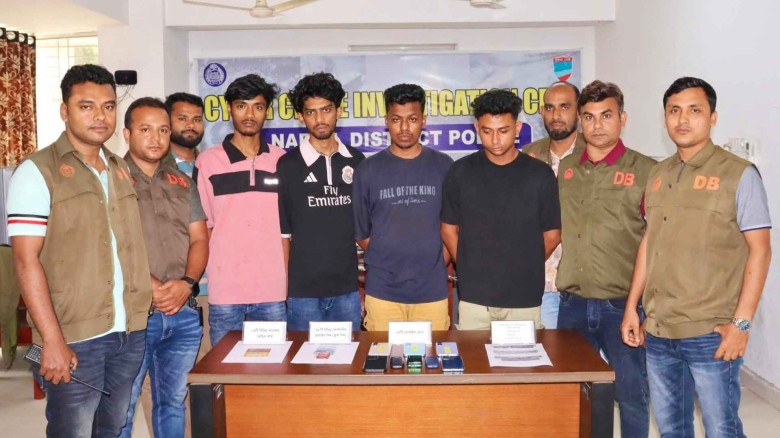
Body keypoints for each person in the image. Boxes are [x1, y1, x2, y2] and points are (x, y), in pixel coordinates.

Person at [622, 77, 772, 437]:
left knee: (722, 429)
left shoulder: (739, 174)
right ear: (665, 118)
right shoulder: (658, 174)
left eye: (694, 110)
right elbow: (649, 243)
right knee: (672, 428)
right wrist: (632, 308)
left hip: (711, 332)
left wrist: (742, 325)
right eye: (674, 111)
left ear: (713, 117)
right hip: (659, 329)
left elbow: (761, 251)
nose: (683, 119)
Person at [7, 64, 151, 436]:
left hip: (128, 332)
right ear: (64, 110)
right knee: (73, 430)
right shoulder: (37, 171)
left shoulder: (119, 169)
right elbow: (25, 261)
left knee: (113, 427)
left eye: (108, 106)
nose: (100, 116)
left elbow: (124, 249)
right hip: (74, 336)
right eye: (86, 106)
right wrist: (51, 339)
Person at [556, 80, 653, 437]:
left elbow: (657, 241)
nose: (597, 125)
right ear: (580, 121)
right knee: (571, 393)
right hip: (572, 305)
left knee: (631, 395)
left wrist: (642, 308)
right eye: (589, 117)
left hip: (623, 306)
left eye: (606, 115)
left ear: (622, 119)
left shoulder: (646, 170)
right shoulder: (567, 170)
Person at [118, 97, 208, 438]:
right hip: (133, 315)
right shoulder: (109, 180)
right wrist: (151, 285)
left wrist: (187, 283)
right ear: (127, 134)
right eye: (145, 129)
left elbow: (199, 239)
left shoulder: (183, 182)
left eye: (163, 130)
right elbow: (108, 243)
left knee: (172, 403)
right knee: (122, 406)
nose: (155, 138)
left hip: (182, 312)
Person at [441, 89, 561, 330]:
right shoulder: (460, 172)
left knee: (523, 356)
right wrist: (468, 266)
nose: (495, 140)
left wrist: (523, 266)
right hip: (474, 298)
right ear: (477, 129)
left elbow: (552, 234)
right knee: (473, 355)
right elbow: (448, 228)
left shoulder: (540, 175)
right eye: (487, 131)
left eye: (503, 131)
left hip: (524, 296)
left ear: (517, 129)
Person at [352, 83, 453, 330]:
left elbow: (453, 226)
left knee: (432, 354)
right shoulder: (367, 170)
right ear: (387, 121)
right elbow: (361, 233)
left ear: (423, 121)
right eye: (397, 119)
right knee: (383, 355)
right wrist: (388, 260)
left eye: (412, 119)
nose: (405, 127)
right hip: (383, 291)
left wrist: (435, 262)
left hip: (432, 291)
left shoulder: (444, 166)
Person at [195, 74, 286, 346]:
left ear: (267, 111)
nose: (249, 114)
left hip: (272, 291)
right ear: (229, 109)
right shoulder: (208, 162)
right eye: (241, 106)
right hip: (225, 292)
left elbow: (289, 230)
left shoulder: (282, 160)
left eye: (258, 106)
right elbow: (203, 229)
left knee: (272, 367)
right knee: (224, 368)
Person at [276, 73, 365, 331]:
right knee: (302, 357)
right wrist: (286, 287)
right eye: (311, 112)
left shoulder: (358, 161)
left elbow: (365, 228)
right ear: (300, 116)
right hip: (302, 292)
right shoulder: (288, 165)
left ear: (338, 111)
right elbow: (284, 234)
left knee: (349, 356)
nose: (319, 119)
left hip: (347, 290)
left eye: (326, 110)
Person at [522, 81, 586, 329]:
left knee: (582, 354)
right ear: (541, 112)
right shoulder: (527, 156)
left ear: (579, 112)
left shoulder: (592, 154)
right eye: (549, 107)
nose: (556, 115)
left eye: (564, 107)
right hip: (539, 283)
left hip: (582, 288)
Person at [163, 92, 204, 178]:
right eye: (182, 119)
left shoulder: (211, 163)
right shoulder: (155, 165)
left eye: (197, 120)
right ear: (167, 121)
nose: (191, 125)